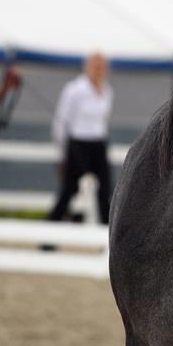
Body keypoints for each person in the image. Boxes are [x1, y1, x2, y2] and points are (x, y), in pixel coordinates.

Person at [48, 53, 114, 224]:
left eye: (102, 66)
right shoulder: (74, 89)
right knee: (69, 191)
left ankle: (106, 236)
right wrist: (62, 152)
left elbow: (102, 121)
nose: (98, 70)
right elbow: (60, 122)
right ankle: (46, 236)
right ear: (87, 67)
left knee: (106, 191)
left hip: (98, 143)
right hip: (78, 144)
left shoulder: (107, 90)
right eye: (95, 66)